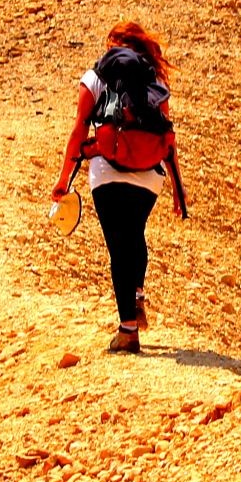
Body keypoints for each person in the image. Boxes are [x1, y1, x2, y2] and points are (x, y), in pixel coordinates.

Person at [51, 21, 183, 356]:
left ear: (113, 44)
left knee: (118, 247)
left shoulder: (96, 76)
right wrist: (179, 191)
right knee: (134, 234)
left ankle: (127, 331)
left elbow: (79, 130)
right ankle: (136, 293)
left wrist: (64, 178)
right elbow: (168, 137)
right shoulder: (154, 80)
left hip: (107, 168)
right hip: (150, 172)